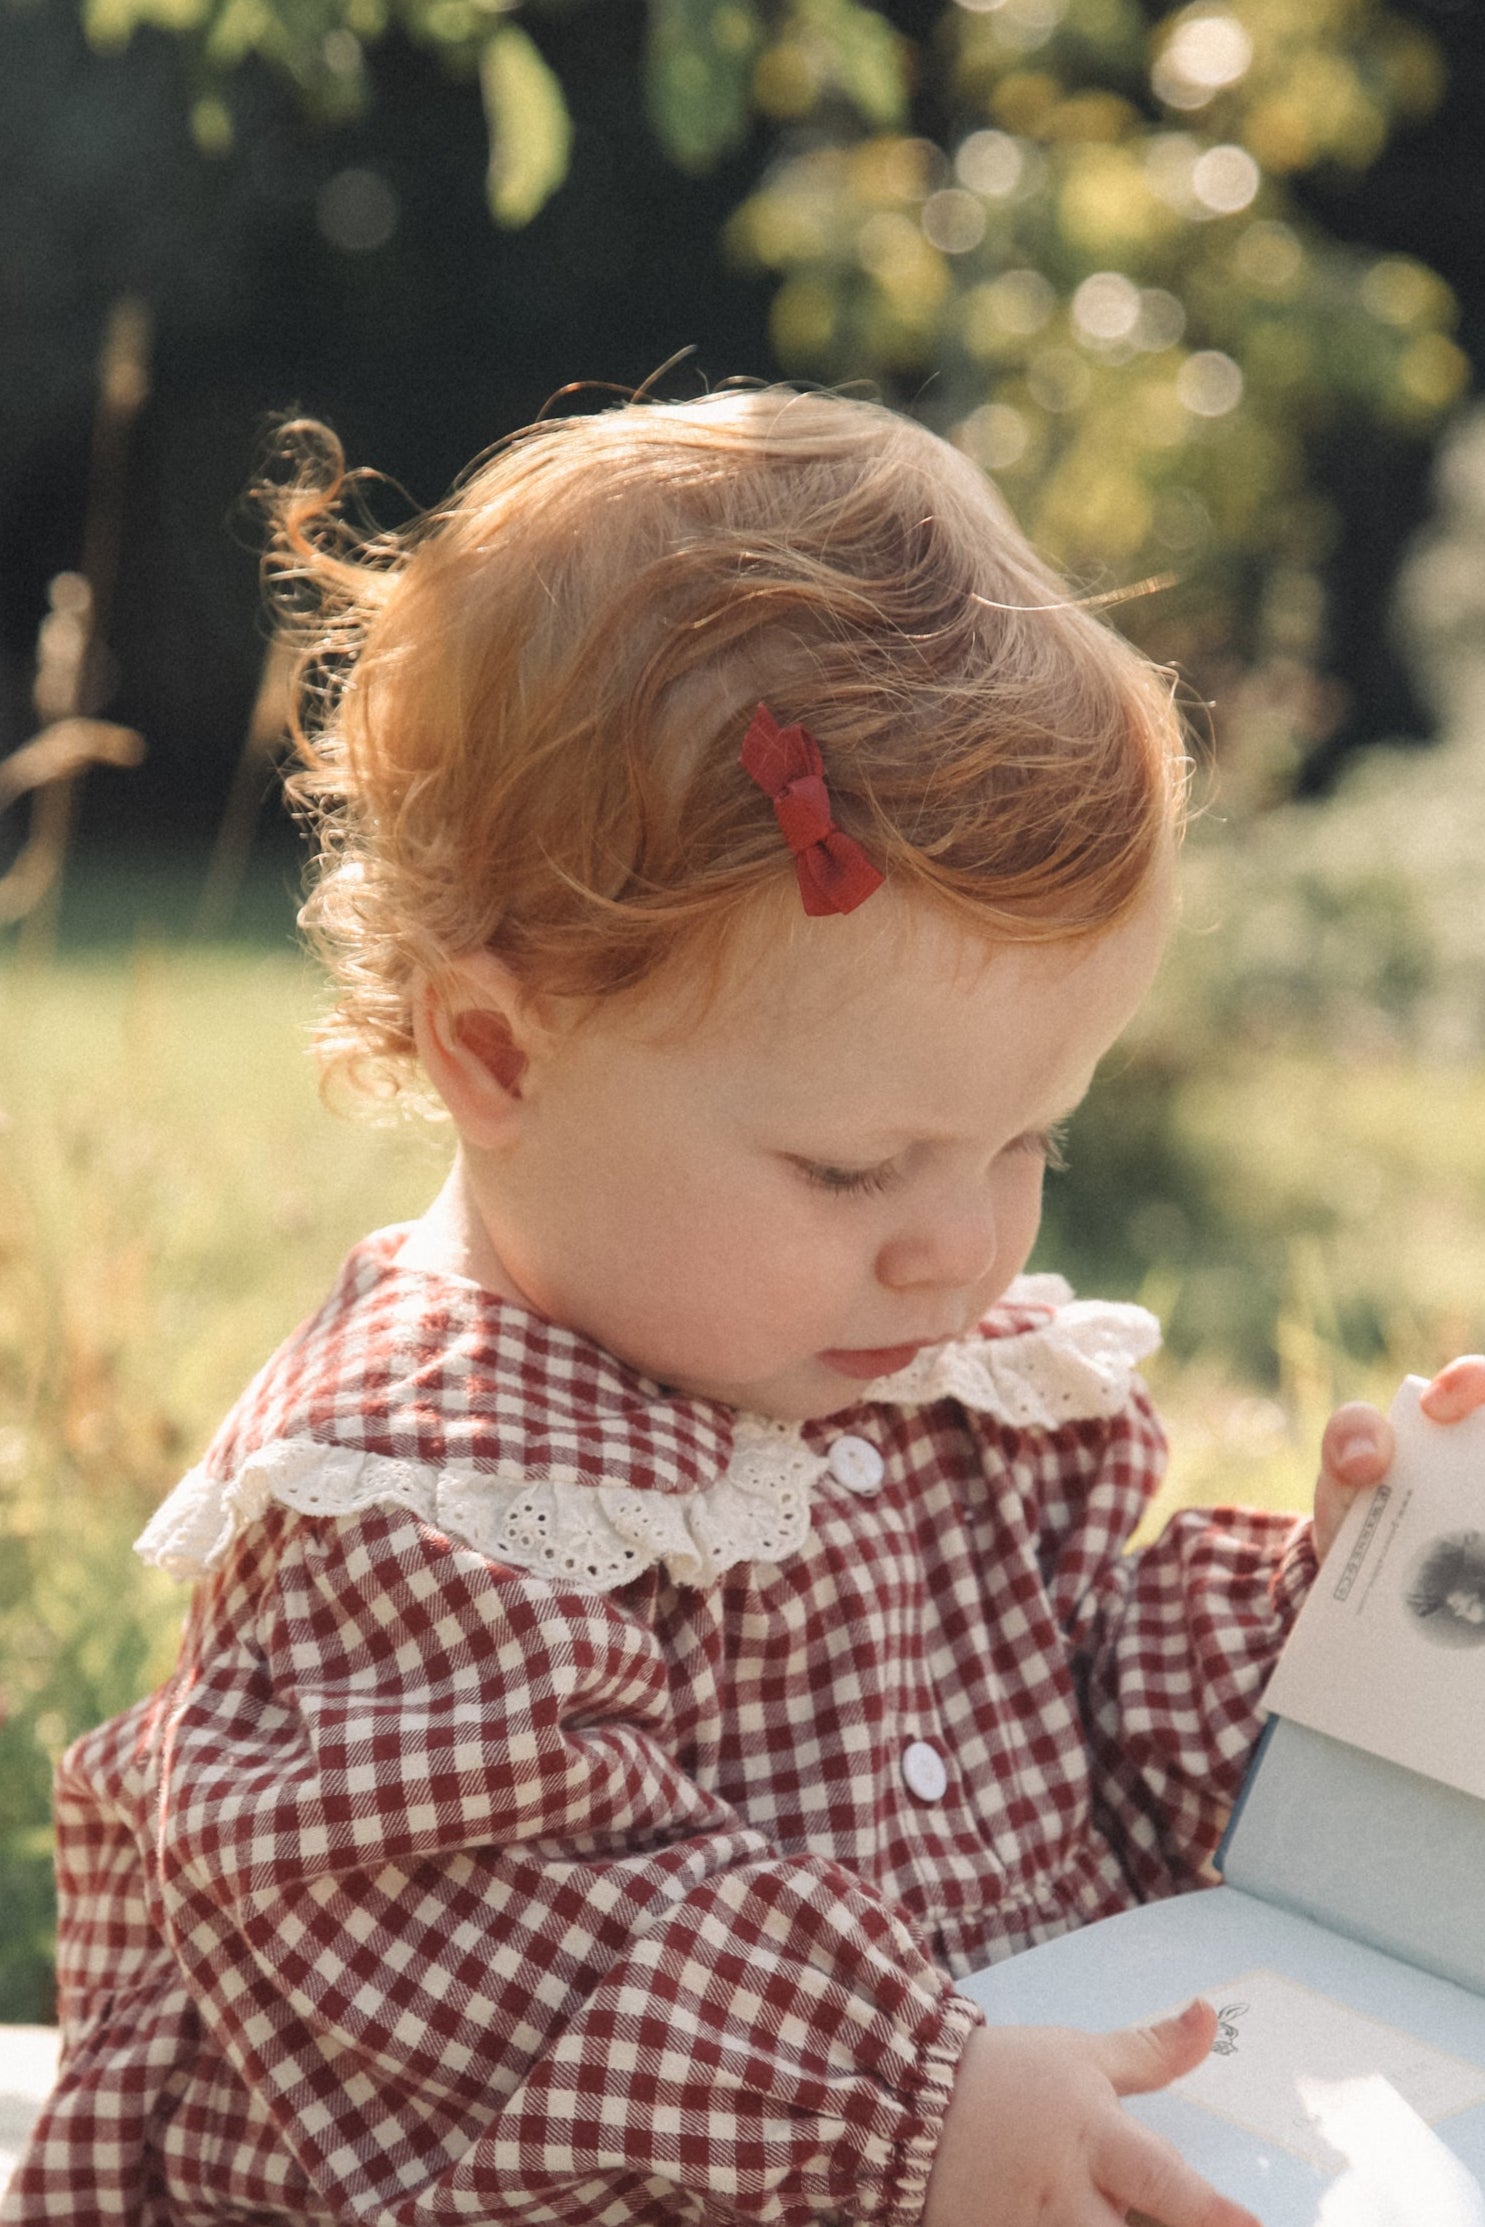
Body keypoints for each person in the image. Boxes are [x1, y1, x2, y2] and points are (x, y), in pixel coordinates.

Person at [6, 385, 1482, 2227]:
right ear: (494, 1050)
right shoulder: (422, 1511)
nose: (958, 1246)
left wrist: (1327, 1635)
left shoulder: (930, 1373)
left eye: (1032, 1137)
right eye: (854, 1171)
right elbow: (510, 1961)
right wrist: (905, 2112)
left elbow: (1087, 1703)